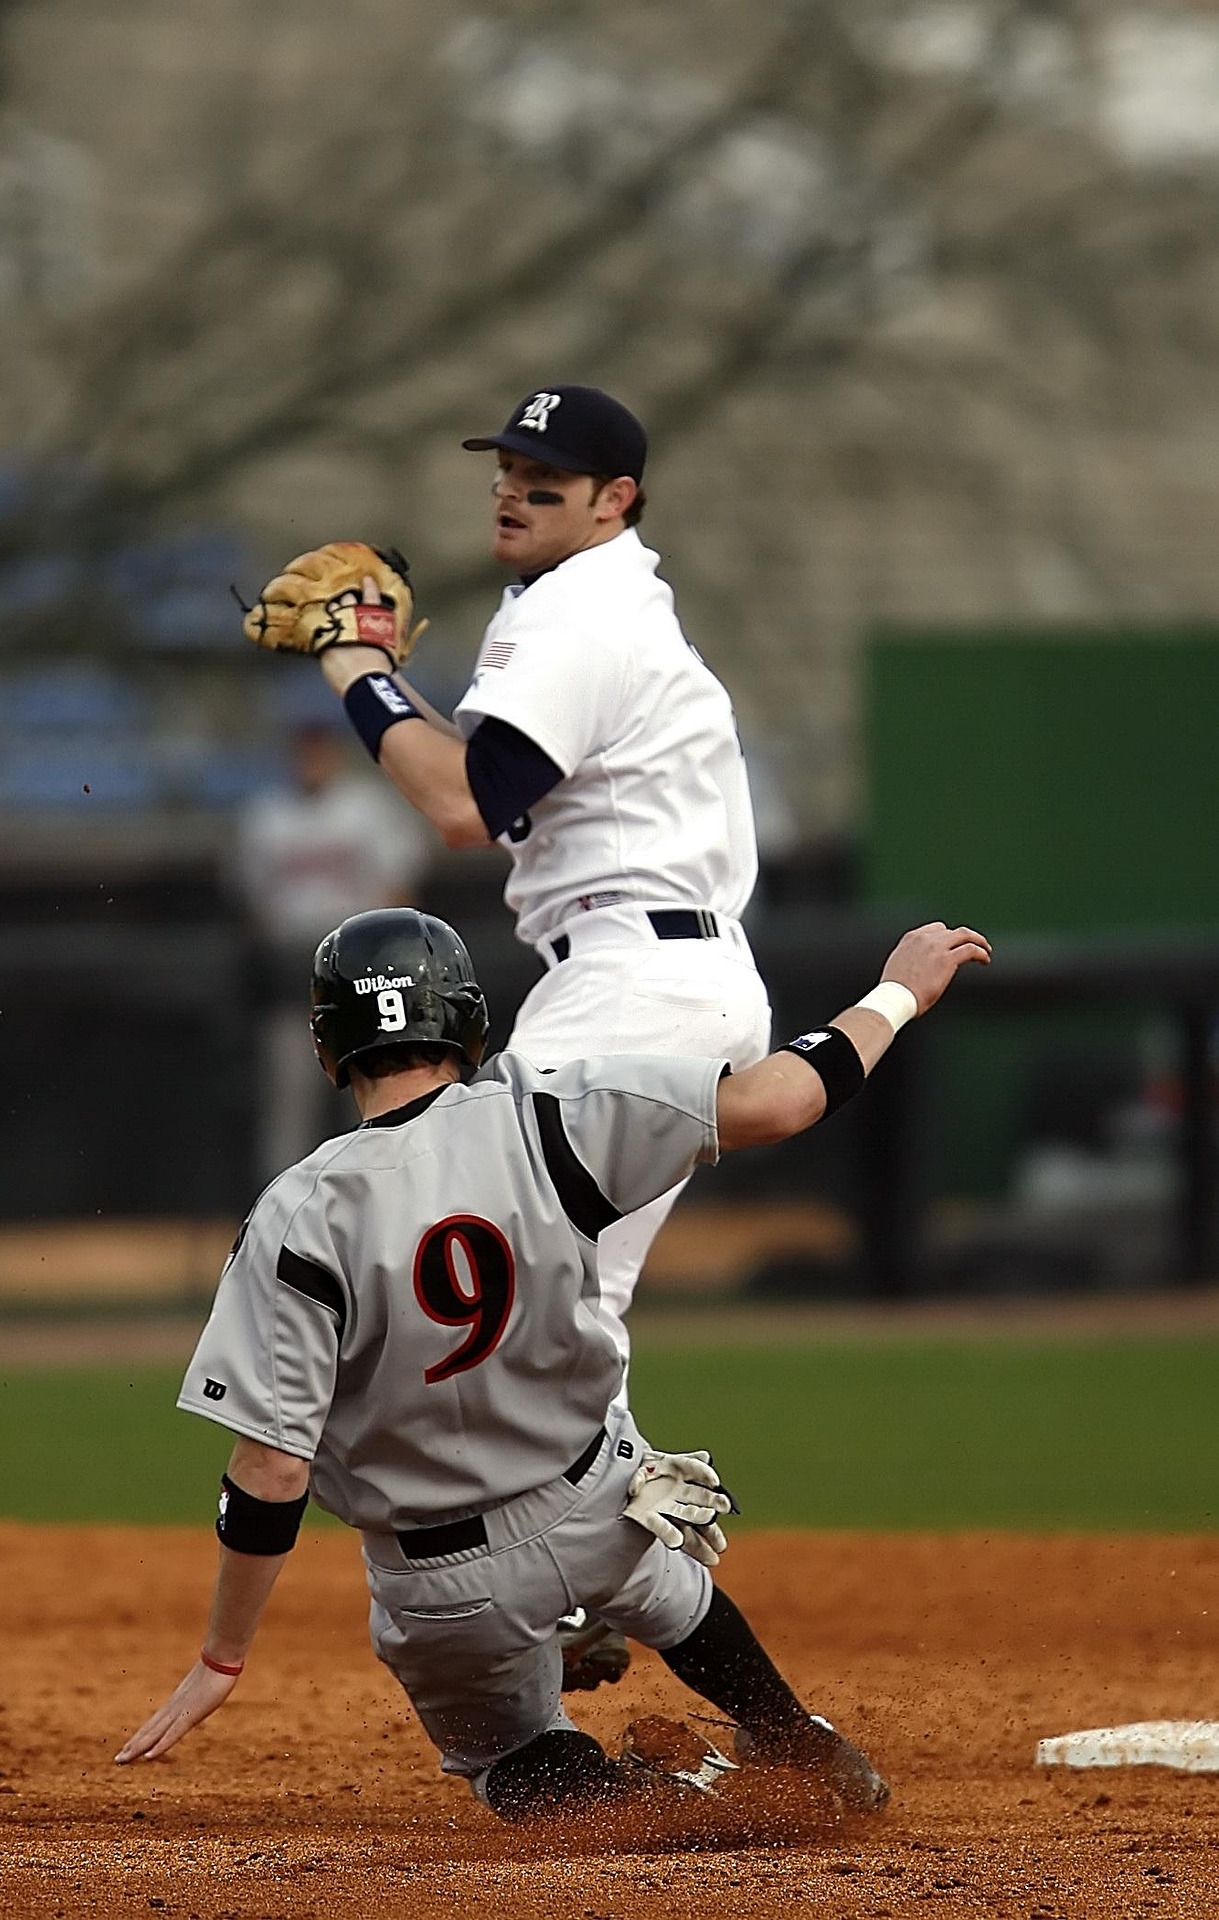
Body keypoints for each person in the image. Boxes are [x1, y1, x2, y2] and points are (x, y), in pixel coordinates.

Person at [115, 907, 991, 1821]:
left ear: (328, 1044)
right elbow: (781, 1099)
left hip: (440, 1581)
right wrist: (898, 992)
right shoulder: (549, 1114)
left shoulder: (297, 1213)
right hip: (592, 1504)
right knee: (668, 1590)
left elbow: (270, 1469)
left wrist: (222, 1656)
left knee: (513, 1752)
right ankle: (788, 1737)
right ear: (465, 1018)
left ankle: (656, 1812)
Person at [311, 384, 772, 1685]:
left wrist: (354, 666)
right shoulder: (574, 606)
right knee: (548, 1273)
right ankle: (598, 1532)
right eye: (506, 467)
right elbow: (485, 775)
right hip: (643, 973)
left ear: (616, 498)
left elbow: (463, 805)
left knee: (510, 1259)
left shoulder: (584, 611)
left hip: (635, 979)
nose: (512, 489)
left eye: (547, 477)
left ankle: (593, 1538)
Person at [233, 711, 426, 1179]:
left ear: (334, 751)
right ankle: (284, 1206)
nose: (311, 757)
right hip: (294, 977)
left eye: (319, 746)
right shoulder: (266, 815)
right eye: (303, 747)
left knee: (373, 1090)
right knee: (289, 1100)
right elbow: (251, 905)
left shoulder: (367, 808)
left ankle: (378, 1191)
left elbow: (401, 892)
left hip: (361, 971)